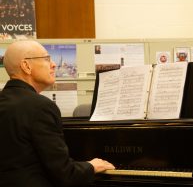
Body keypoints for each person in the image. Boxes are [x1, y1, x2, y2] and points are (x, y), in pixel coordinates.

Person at [0, 40, 115, 187]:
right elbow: (64, 174)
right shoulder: (40, 106)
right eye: (47, 59)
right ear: (26, 66)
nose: (53, 64)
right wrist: (91, 166)